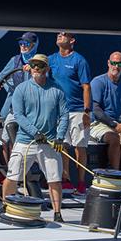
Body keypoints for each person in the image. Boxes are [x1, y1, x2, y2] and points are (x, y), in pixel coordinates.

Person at [2, 54, 68, 222]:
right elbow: (19, 115)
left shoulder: (57, 90)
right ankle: (5, 206)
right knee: (12, 177)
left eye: (39, 65)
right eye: (33, 65)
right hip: (25, 141)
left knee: (55, 179)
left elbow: (64, 115)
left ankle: (57, 214)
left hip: (50, 142)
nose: (36, 68)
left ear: (47, 69)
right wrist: (35, 133)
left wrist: (60, 137)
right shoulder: (21, 89)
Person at [48, 32, 91, 194]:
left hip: (78, 110)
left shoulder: (79, 60)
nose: (60, 36)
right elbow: (38, 65)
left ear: (72, 40)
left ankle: (81, 183)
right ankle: (65, 180)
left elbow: (86, 86)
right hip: (59, 111)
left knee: (80, 147)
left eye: (64, 34)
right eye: (58, 34)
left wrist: (87, 111)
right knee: (63, 146)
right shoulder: (51, 59)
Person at [89, 52, 121, 182]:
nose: (116, 66)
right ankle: (115, 177)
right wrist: (114, 124)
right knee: (114, 139)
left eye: (119, 63)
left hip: (117, 125)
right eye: (113, 63)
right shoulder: (98, 82)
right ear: (108, 63)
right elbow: (95, 110)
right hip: (98, 124)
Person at [0, 32, 37, 161]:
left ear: (33, 45)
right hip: (15, 108)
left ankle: (27, 174)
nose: (22, 46)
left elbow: (46, 78)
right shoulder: (15, 60)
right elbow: (1, 76)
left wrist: (34, 69)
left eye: (26, 44)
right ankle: (10, 171)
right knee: (6, 140)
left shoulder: (39, 60)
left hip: (32, 110)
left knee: (26, 141)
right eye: (21, 43)